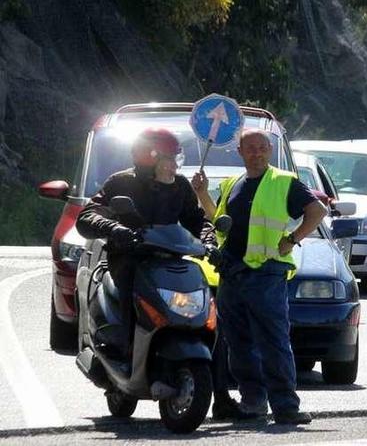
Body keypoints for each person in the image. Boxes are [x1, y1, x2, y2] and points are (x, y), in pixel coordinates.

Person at [191, 129, 326, 425]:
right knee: (238, 343)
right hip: (233, 272)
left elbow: (317, 210)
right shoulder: (231, 183)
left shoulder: (283, 181)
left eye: (262, 147)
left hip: (266, 273)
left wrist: (293, 238)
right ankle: (253, 403)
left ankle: (285, 408)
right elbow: (220, 224)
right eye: (250, 148)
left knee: (273, 341)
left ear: (270, 150)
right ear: (239, 151)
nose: (257, 153)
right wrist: (202, 194)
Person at [76, 127, 218, 369]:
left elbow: (196, 219)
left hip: (169, 258)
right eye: (170, 159)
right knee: (130, 287)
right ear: (150, 158)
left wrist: (209, 241)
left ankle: (219, 382)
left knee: (206, 299)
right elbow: (88, 214)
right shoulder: (121, 182)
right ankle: (124, 348)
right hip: (130, 257)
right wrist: (113, 229)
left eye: (177, 159)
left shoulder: (180, 186)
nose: (175, 166)